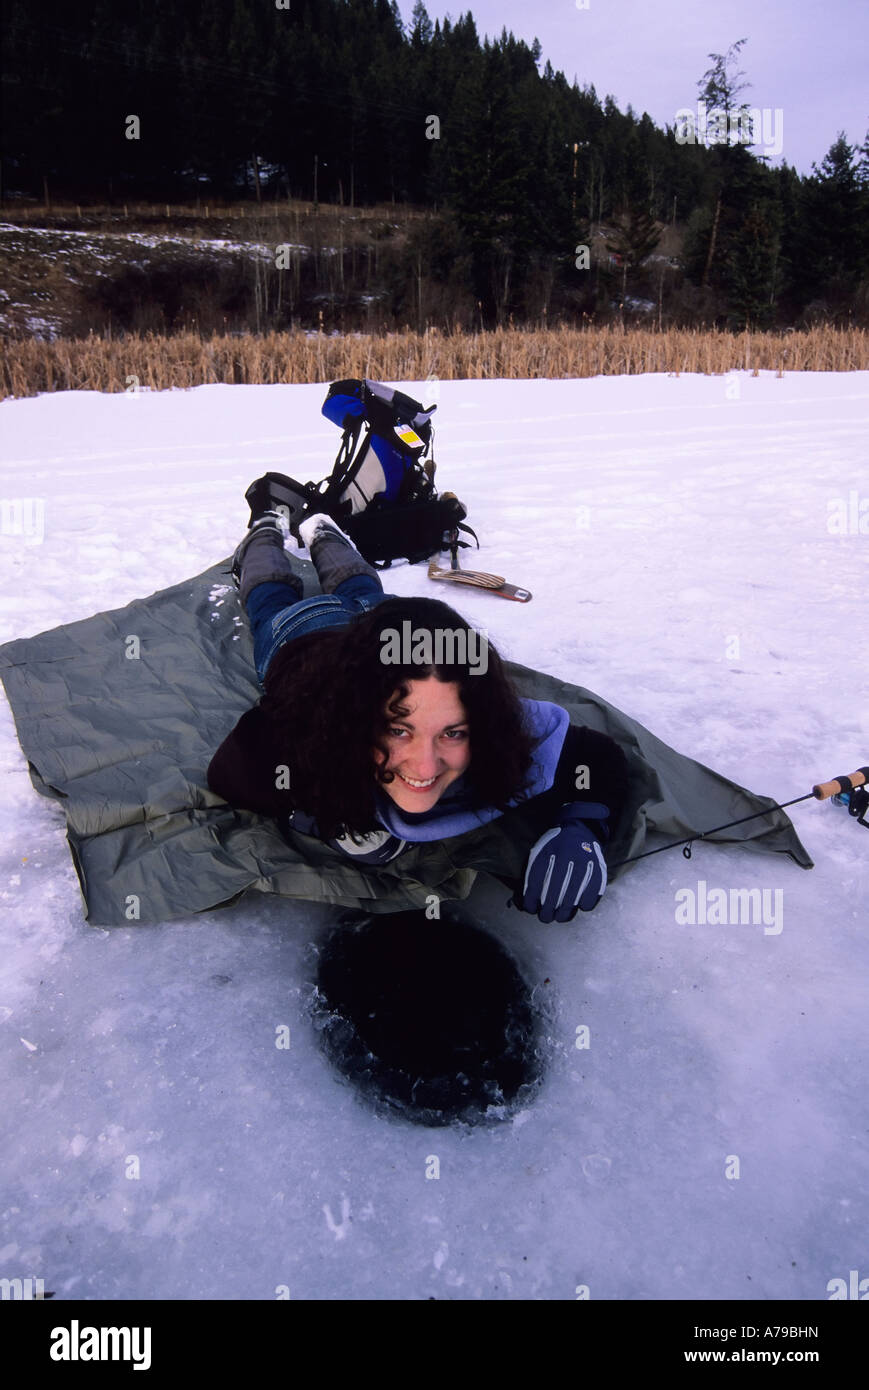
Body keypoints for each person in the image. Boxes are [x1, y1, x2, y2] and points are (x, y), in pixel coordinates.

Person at [207, 481, 630, 924]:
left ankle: (320, 530)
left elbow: (592, 755)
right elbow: (233, 770)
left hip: (382, 627)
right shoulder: (313, 722)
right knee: (270, 597)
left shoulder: (493, 722)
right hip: (300, 637)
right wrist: (324, 817)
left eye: (454, 731)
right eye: (397, 728)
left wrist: (582, 823)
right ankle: (267, 528)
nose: (425, 768)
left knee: (360, 586)